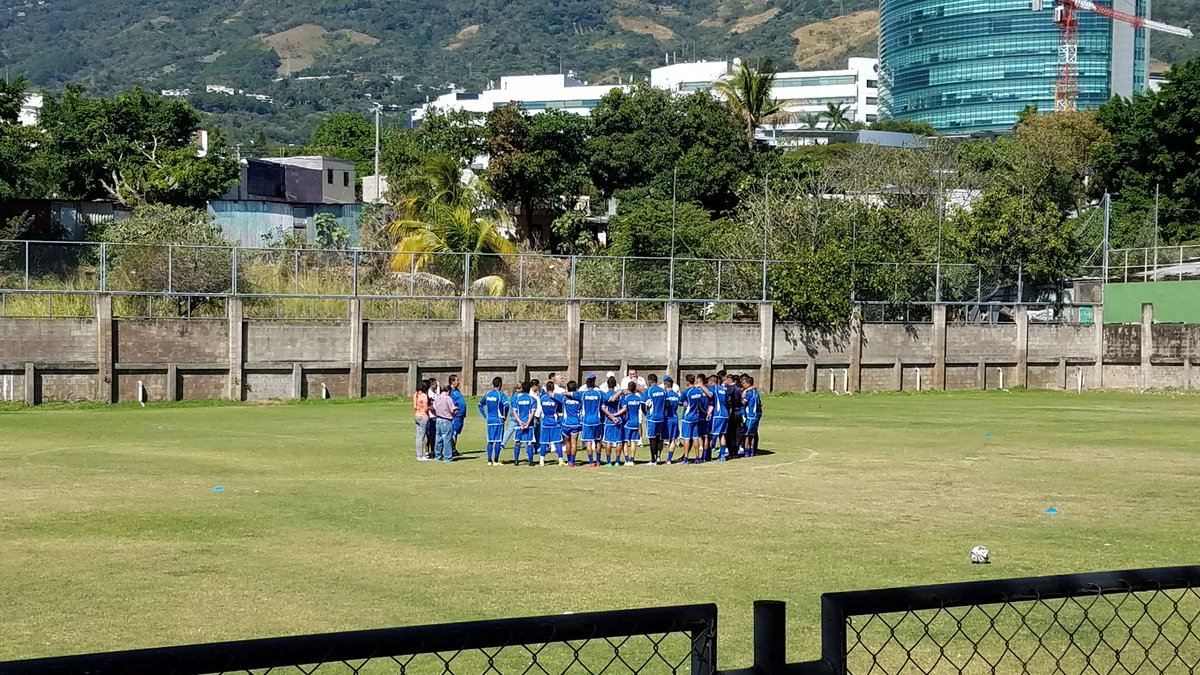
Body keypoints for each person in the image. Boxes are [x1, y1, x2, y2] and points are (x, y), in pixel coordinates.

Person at [478, 377, 509, 466]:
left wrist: (485, 416)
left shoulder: (487, 394)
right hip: (498, 420)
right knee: (498, 440)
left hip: (490, 420)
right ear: (500, 384)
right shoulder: (500, 395)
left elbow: (480, 405)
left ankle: (489, 460)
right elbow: (506, 405)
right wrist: (505, 415)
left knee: (490, 440)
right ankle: (495, 460)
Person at [679, 374, 708, 464]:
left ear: (687, 381)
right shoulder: (698, 392)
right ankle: (697, 458)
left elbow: (680, 403)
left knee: (687, 438)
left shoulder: (686, 392)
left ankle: (686, 458)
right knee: (695, 437)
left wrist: (684, 404)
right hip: (696, 417)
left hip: (687, 417)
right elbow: (699, 404)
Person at [580, 374, 605, 467]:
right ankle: (598, 461)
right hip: (597, 420)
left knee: (588, 442)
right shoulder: (599, 393)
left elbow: (570, 394)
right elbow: (610, 398)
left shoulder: (583, 394)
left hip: (586, 421)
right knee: (598, 441)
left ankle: (591, 462)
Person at [538, 381, 564, 467]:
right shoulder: (556, 398)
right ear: (553, 388)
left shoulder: (542, 398)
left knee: (544, 442)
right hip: (554, 423)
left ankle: (541, 461)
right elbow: (560, 409)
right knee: (558, 442)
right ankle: (560, 460)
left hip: (545, 422)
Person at [512, 383, 538, 466]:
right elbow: (532, 413)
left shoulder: (517, 399)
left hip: (519, 424)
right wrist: (527, 423)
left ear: (522, 389)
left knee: (518, 442)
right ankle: (530, 461)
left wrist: (519, 422)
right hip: (528, 424)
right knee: (529, 442)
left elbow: (514, 412)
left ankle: (516, 461)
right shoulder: (532, 399)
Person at [643, 374, 666, 465]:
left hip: (652, 418)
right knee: (659, 437)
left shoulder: (648, 391)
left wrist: (646, 415)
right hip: (661, 417)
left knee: (652, 438)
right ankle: (659, 456)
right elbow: (666, 404)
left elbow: (642, 405)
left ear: (649, 381)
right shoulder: (663, 391)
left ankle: (653, 459)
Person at [431, 384, 458, 463]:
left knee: (438, 438)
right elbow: (453, 409)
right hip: (446, 420)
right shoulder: (448, 398)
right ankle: (447, 457)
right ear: (449, 391)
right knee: (447, 439)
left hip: (438, 419)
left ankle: (438, 456)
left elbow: (434, 407)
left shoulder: (438, 398)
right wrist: (456, 410)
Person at [619, 380, 643, 466]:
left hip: (627, 422)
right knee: (633, 442)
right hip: (636, 422)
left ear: (628, 388)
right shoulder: (638, 398)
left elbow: (623, 409)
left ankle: (626, 459)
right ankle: (632, 460)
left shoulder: (626, 398)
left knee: (625, 441)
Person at [601, 375, 624, 466]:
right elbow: (624, 408)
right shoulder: (620, 396)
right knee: (618, 442)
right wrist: (616, 415)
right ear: (615, 385)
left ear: (607, 384)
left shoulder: (605, 395)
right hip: (618, 420)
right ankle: (617, 461)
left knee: (608, 442)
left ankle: (609, 462)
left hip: (609, 421)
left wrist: (610, 416)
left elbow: (603, 408)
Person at [707, 375, 730, 462]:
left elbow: (710, 395)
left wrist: (702, 387)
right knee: (722, 435)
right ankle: (722, 455)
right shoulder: (723, 390)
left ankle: (708, 455)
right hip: (725, 414)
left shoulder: (713, 388)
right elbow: (727, 400)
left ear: (712, 382)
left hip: (717, 414)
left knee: (712, 435)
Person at [562, 380, 583, 467]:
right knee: (574, 442)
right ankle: (572, 462)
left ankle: (569, 460)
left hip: (566, 423)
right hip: (576, 422)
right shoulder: (579, 400)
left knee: (567, 442)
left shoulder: (564, 399)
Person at [742, 375, 762, 457]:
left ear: (748, 384)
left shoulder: (749, 393)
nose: (743, 385)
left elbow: (743, 403)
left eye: (744, 383)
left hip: (750, 415)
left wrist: (741, 398)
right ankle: (753, 451)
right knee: (753, 434)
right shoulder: (756, 392)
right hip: (756, 415)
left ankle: (747, 451)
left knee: (746, 434)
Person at [663, 376, 682, 463]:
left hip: (667, 419)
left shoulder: (665, 395)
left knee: (661, 438)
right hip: (675, 418)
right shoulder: (676, 395)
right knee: (673, 440)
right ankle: (669, 459)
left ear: (665, 385)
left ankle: (657, 457)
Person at [413, 379, 432, 462]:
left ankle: (419, 454)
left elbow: (415, 406)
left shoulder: (416, 394)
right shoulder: (424, 396)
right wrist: (431, 406)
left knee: (418, 437)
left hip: (417, 415)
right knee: (421, 437)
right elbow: (425, 408)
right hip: (423, 417)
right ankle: (421, 456)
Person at [449, 375, 467, 456]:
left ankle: (454, 448)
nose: (458, 382)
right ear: (452, 382)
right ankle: (451, 449)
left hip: (461, 416)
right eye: (457, 380)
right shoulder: (450, 392)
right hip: (455, 416)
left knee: (456, 433)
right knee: (453, 432)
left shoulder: (457, 391)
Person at [501, 384, 521, 453]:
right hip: (516, 415)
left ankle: (502, 443)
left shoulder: (514, 394)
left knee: (510, 430)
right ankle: (503, 443)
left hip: (513, 415)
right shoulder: (517, 395)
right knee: (511, 430)